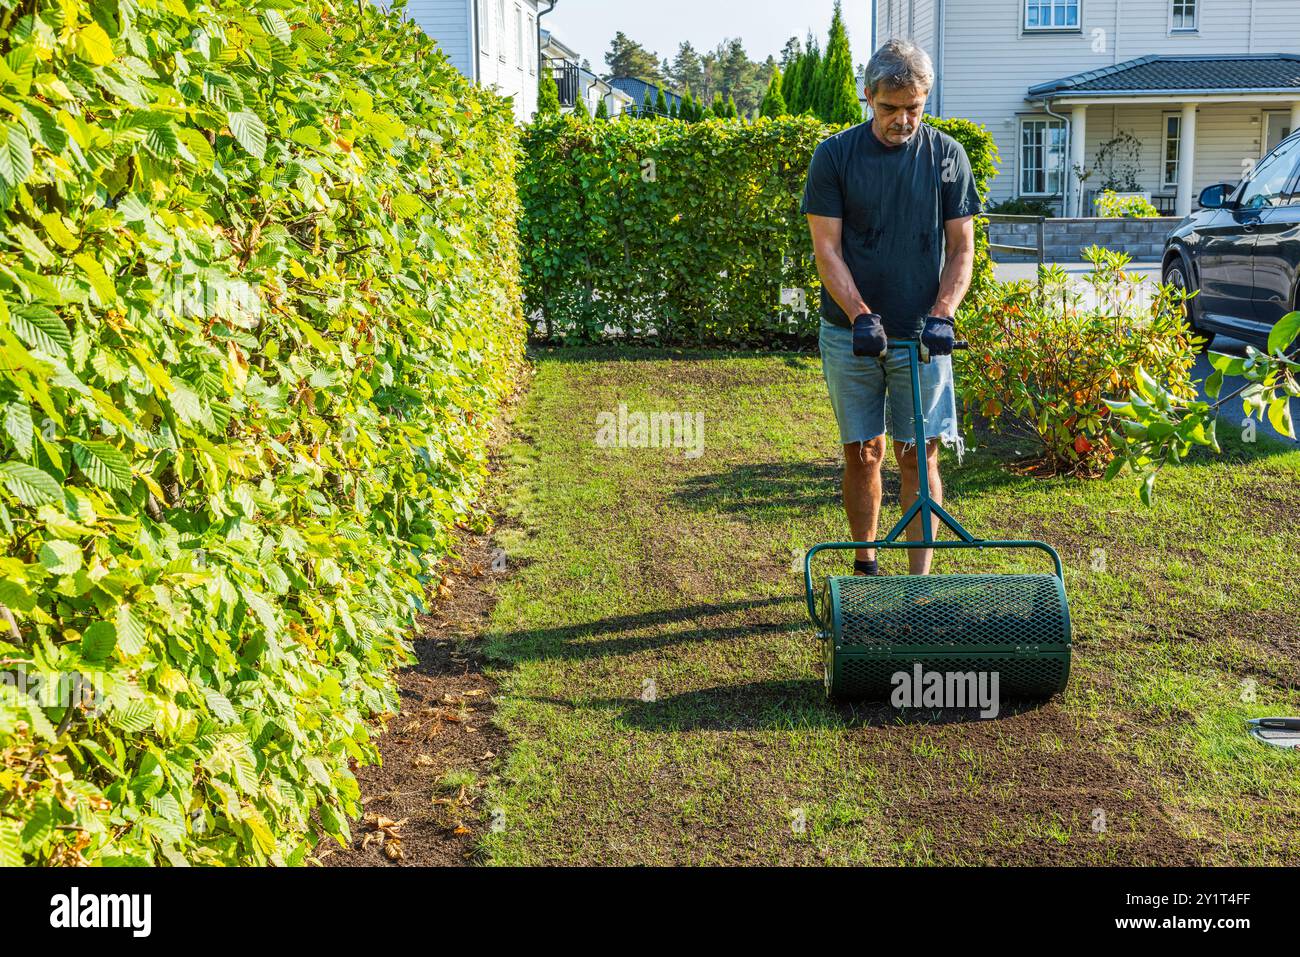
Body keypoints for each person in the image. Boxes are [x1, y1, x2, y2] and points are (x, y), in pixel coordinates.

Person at [800, 37, 981, 577]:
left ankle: (919, 580)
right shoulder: (835, 156)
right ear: (867, 97)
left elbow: (962, 247)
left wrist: (943, 312)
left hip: (923, 335)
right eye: (890, 108)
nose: (903, 120)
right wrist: (860, 313)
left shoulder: (947, 156)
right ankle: (866, 563)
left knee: (917, 454)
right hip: (850, 333)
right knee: (864, 450)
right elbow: (826, 249)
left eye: (914, 109)